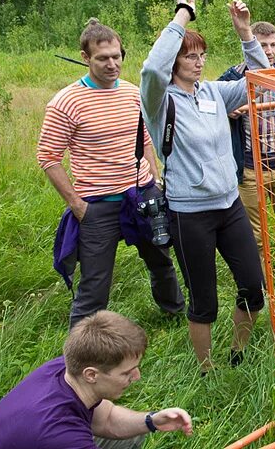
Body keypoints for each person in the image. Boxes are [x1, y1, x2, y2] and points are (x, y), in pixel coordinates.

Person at [140, 0, 268, 373]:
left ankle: (237, 353)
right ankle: (206, 369)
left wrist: (246, 33)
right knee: (204, 301)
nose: (198, 63)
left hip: (228, 206)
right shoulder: (159, 101)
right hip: (189, 214)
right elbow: (150, 69)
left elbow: (262, 80)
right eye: (190, 57)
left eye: (202, 56)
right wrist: (183, 14)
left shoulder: (214, 92)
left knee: (252, 287)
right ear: (175, 61)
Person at [37, 18, 184, 328]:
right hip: (97, 205)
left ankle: (174, 316)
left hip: (142, 195)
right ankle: (81, 351)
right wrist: (78, 207)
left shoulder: (133, 94)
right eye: (103, 58)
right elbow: (48, 157)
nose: (112, 64)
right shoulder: (66, 102)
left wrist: (153, 177)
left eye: (117, 56)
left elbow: (144, 138)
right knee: (95, 284)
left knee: (161, 262)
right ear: (85, 57)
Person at [0, 311, 193, 449]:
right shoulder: (61, 435)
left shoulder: (66, 369)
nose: (137, 377)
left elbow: (107, 420)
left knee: (129, 438)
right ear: (91, 374)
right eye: (127, 373)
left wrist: (151, 421)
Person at [219, 21, 275, 298]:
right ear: (250, 46)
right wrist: (227, 112)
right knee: (254, 236)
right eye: (262, 45)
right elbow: (210, 111)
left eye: (272, 44)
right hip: (248, 169)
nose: (268, 51)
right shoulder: (231, 79)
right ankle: (261, 286)